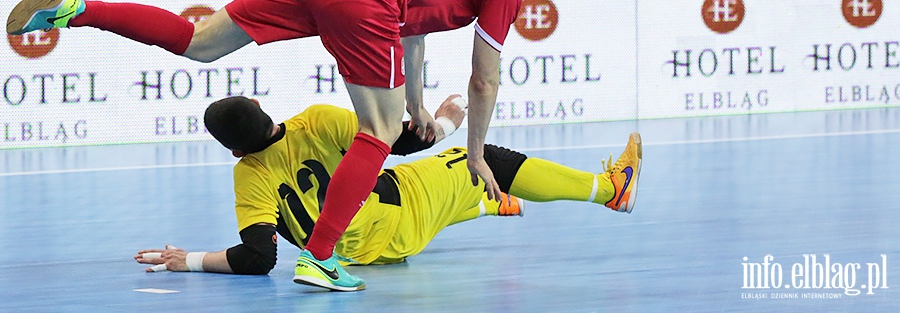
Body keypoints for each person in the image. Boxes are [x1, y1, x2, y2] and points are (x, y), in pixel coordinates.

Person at [7, 0, 566, 291]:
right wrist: (472, 152)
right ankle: (321, 258)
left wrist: (417, 102)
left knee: (199, 43)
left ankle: (76, 9)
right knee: (378, 133)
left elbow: (414, 26)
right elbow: (484, 80)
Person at [133, 95, 642, 292]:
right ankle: (610, 190)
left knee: (453, 182)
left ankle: (489, 201)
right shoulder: (315, 121)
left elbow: (259, 257)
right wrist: (444, 119)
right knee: (484, 158)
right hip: (398, 214)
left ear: (232, 150)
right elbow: (397, 142)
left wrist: (193, 260)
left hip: (354, 254)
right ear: (267, 112)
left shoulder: (248, 176)